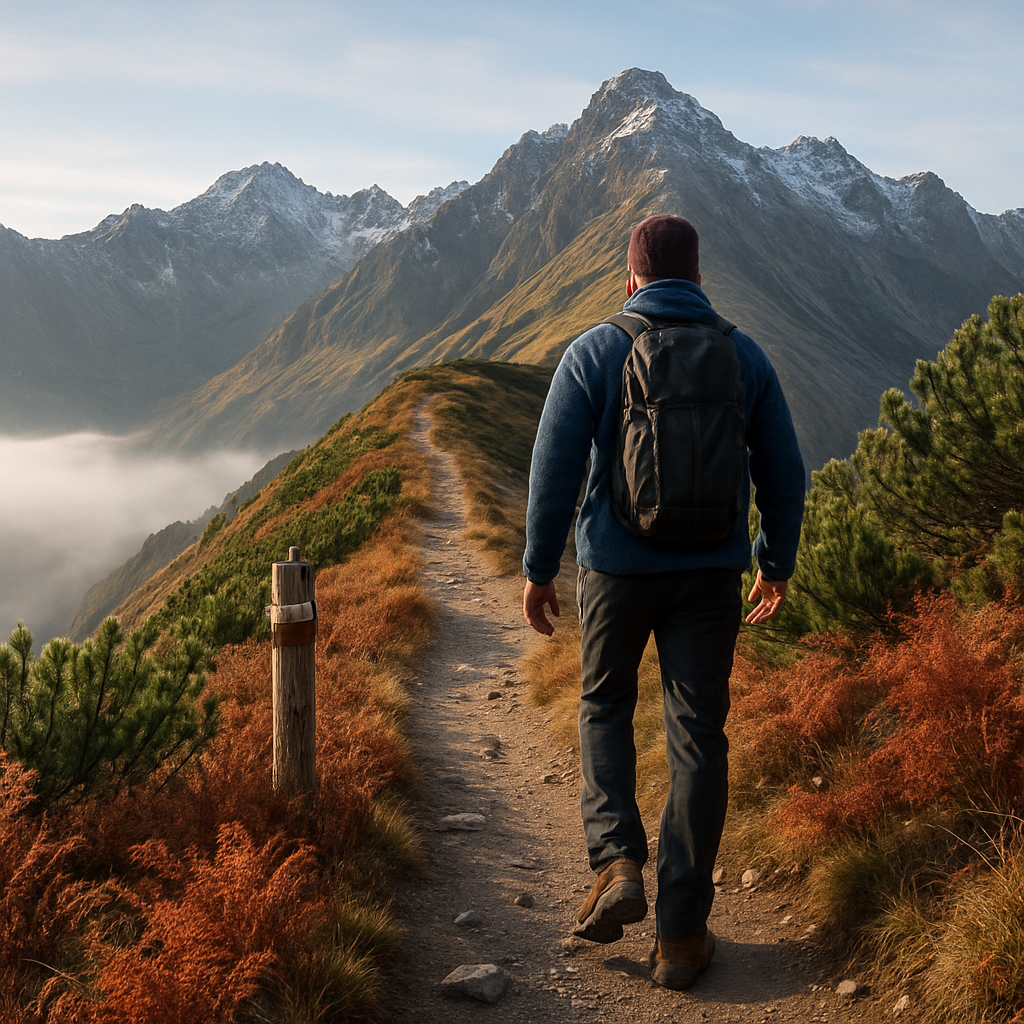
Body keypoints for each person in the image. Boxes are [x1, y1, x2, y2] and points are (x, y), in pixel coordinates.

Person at [522, 214, 805, 990]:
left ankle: (616, 861)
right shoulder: (742, 353)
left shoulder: (595, 350)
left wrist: (540, 567)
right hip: (713, 574)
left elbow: (554, 468)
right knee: (697, 736)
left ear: (630, 277)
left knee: (605, 706)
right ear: (699, 276)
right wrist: (774, 562)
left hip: (615, 570)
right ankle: (682, 934)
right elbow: (785, 468)